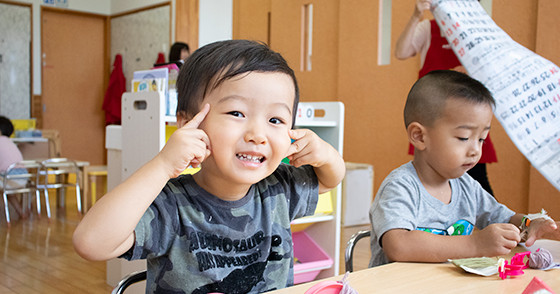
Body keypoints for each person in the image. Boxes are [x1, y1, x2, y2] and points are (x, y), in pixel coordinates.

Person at [73, 40, 346, 293]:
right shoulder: (171, 205)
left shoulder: (279, 188)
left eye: (275, 120)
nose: (258, 135)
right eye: (236, 113)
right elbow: (91, 243)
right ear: (188, 123)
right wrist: (162, 165)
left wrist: (327, 155)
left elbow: (330, 179)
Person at [369, 70, 560, 267]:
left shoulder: (467, 187)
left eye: (481, 139)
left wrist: (532, 224)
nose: (475, 150)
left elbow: (507, 219)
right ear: (419, 136)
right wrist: (475, 243)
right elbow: (398, 245)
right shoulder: (401, 186)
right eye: (463, 138)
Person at [395, 0, 497, 196]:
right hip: (438, 113)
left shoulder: (478, 33)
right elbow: (401, 52)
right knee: (432, 175)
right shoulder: (428, 28)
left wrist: (472, 71)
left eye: (481, 140)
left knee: (476, 179)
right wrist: (416, 15)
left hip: (467, 113)